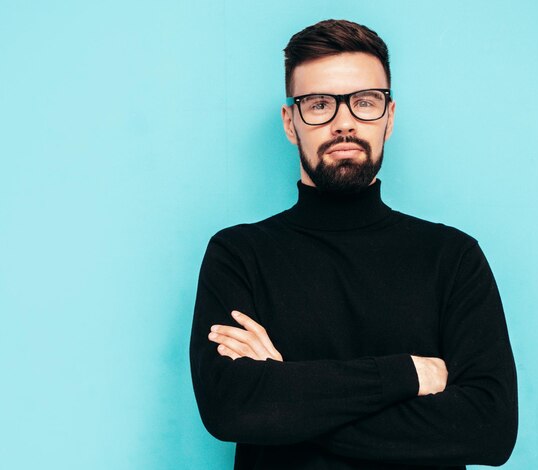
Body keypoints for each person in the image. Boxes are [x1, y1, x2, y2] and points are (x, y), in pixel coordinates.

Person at [189, 19, 518, 470]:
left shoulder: (452, 257)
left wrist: (286, 395)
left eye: (365, 102)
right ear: (290, 122)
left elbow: (490, 429)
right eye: (319, 104)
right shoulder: (239, 254)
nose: (344, 123)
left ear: (390, 117)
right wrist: (405, 374)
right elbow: (231, 407)